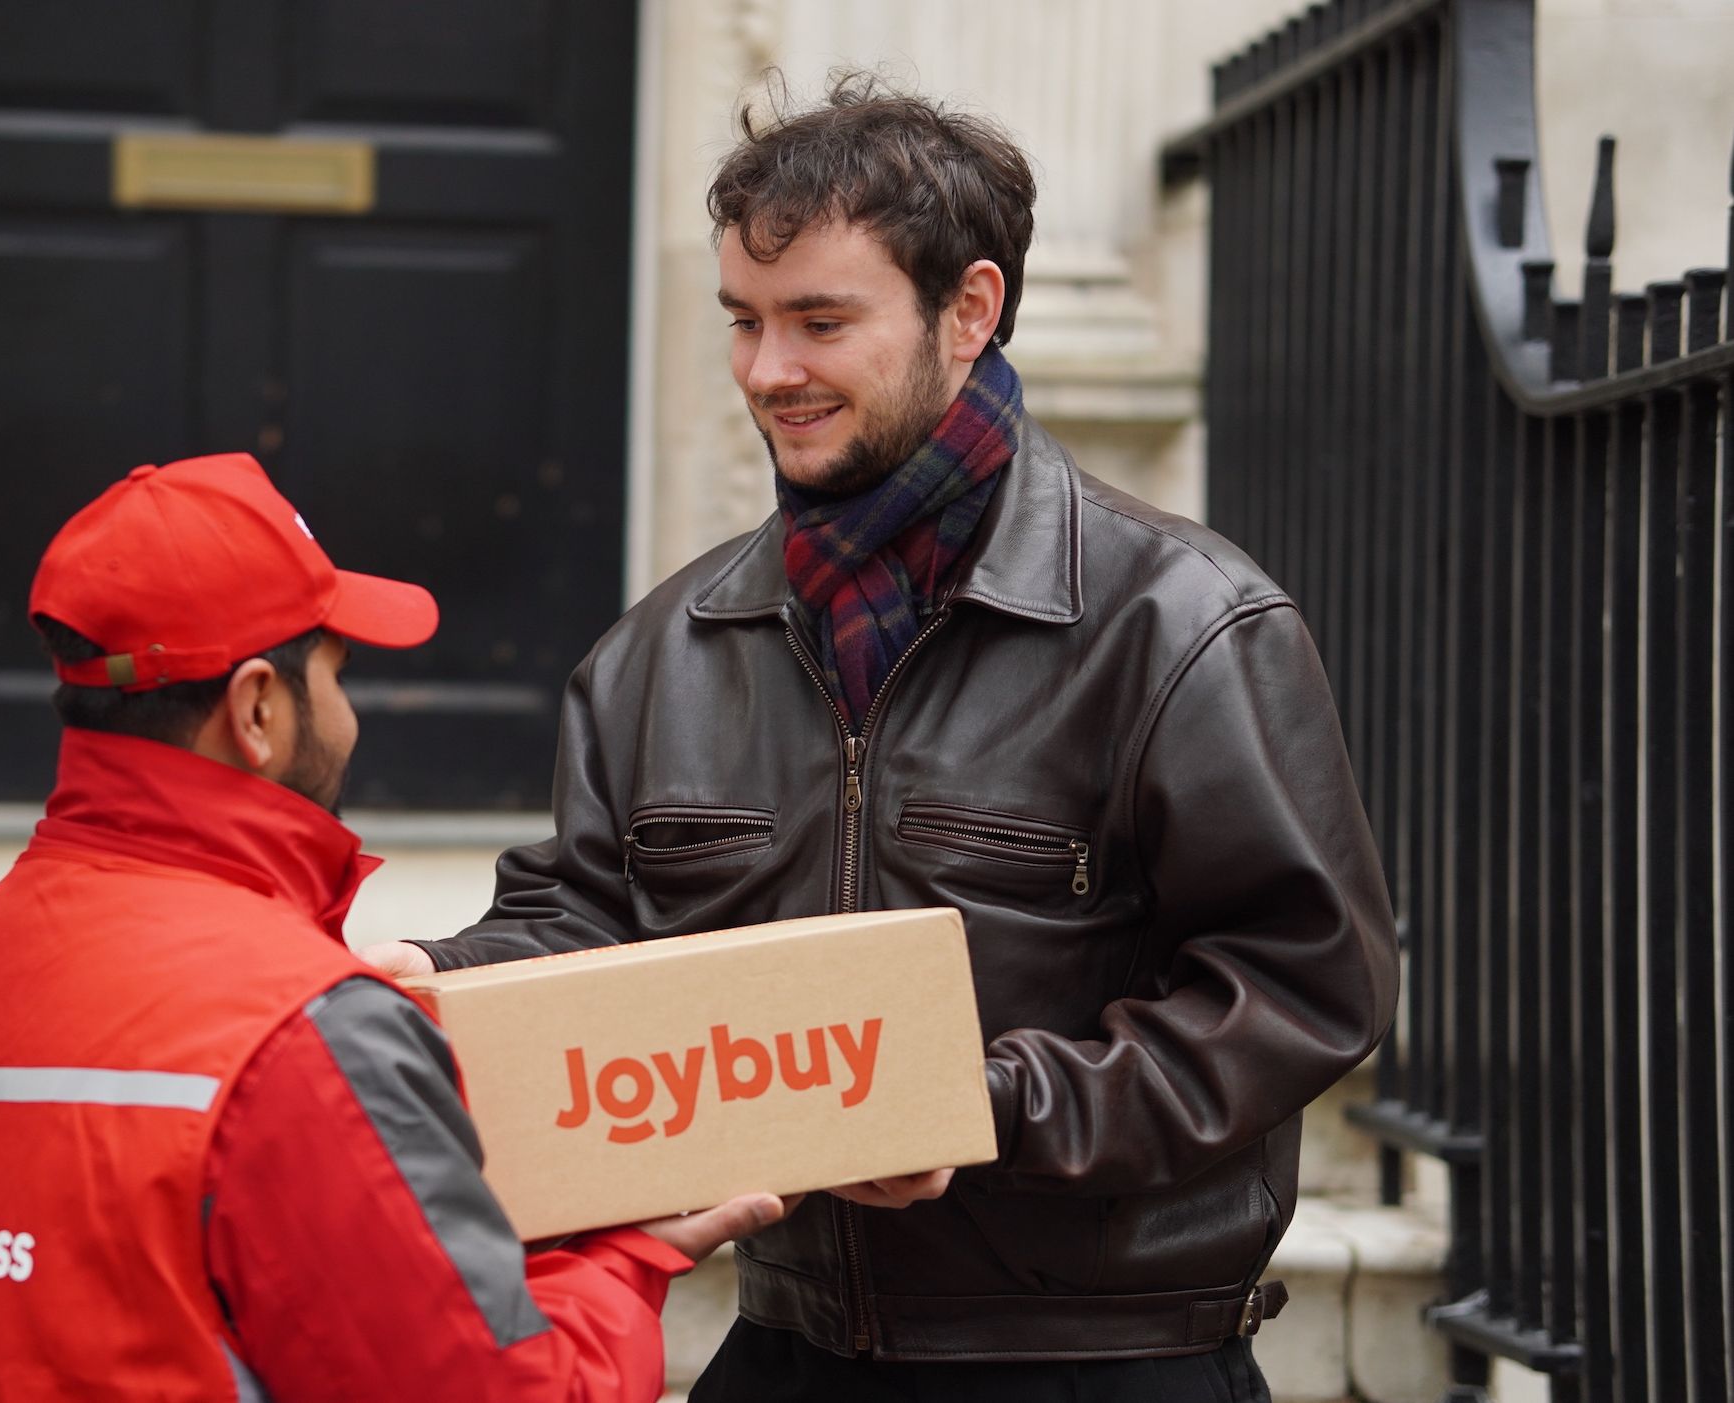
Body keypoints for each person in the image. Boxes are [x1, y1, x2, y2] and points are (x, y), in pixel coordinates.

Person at [363, 75, 1399, 1403]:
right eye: (743, 320)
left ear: (969, 310)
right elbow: (589, 920)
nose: (765, 371)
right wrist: (449, 977)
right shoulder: (663, 647)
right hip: (783, 1345)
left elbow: (1303, 988)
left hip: (1107, 1362)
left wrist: (985, 1109)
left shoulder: (1186, 624)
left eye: (818, 321)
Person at [0, 452, 795, 1402]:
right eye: (334, 673)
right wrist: (623, 1260)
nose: (349, 716)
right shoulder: (299, 1042)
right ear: (257, 708)